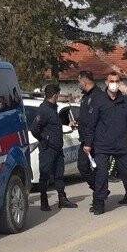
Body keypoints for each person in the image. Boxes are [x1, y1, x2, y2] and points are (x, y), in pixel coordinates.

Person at [82, 75, 127, 216]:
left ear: (119, 83)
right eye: (111, 81)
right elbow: (91, 124)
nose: (114, 84)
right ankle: (99, 203)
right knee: (101, 175)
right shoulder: (98, 100)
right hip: (102, 145)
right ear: (106, 82)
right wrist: (88, 143)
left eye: (116, 81)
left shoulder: (126, 102)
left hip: (121, 144)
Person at [31, 83, 77, 212]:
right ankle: (44, 200)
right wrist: (44, 139)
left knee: (59, 175)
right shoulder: (44, 110)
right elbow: (34, 129)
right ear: (55, 95)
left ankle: (62, 199)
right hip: (48, 149)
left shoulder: (53, 109)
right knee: (45, 175)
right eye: (58, 94)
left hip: (57, 148)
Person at [73, 71, 100, 191]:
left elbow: (93, 121)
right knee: (82, 166)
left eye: (79, 81)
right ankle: (99, 189)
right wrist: (77, 122)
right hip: (85, 139)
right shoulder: (85, 97)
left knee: (99, 168)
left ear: (84, 81)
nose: (78, 84)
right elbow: (85, 117)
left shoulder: (97, 96)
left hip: (96, 139)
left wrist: (89, 142)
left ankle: (100, 192)